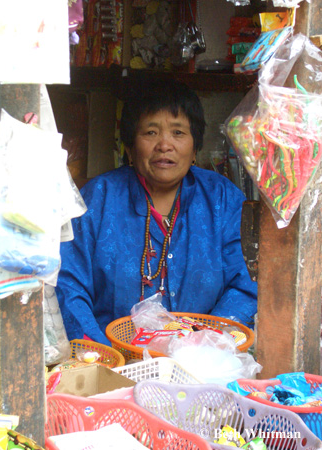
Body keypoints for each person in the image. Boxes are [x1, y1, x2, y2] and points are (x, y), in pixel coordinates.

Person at [55, 77, 257, 345]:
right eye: (150, 132)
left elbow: (246, 284)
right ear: (129, 147)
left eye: (178, 132)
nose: (165, 145)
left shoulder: (222, 199)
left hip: (204, 362)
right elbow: (69, 286)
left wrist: (205, 346)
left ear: (195, 147)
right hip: (114, 362)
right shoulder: (98, 198)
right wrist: (103, 357)